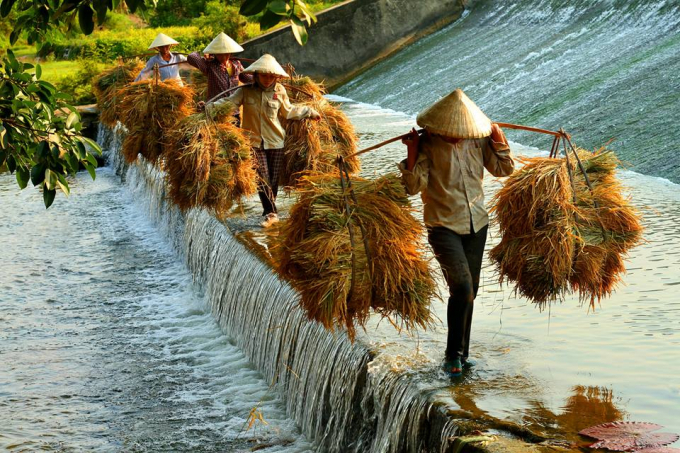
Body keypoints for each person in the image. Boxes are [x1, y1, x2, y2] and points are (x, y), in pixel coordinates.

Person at [399, 89, 514, 378]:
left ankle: (463, 354)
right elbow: (412, 188)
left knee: (470, 291)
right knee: (461, 287)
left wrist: (499, 140)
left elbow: (504, 169)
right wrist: (412, 152)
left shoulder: (478, 140)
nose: (456, 134)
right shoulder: (427, 145)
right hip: (442, 226)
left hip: (477, 223)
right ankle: (451, 355)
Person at [207, 54, 320, 227]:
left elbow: (288, 111)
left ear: (276, 77)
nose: (268, 79)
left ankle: (269, 209)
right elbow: (229, 104)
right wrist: (209, 107)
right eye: (264, 75)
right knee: (262, 178)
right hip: (253, 142)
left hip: (275, 141)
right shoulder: (245, 90)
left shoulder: (280, 91)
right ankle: (271, 213)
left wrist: (309, 112)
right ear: (256, 74)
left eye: (271, 76)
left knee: (273, 180)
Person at [186, 32, 253, 102]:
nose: (223, 56)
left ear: (230, 52)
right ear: (214, 53)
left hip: (233, 108)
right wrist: (205, 56)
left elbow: (248, 79)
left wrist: (260, 74)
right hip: (215, 107)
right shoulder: (210, 65)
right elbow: (191, 57)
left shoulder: (236, 64)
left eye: (226, 53)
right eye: (220, 53)